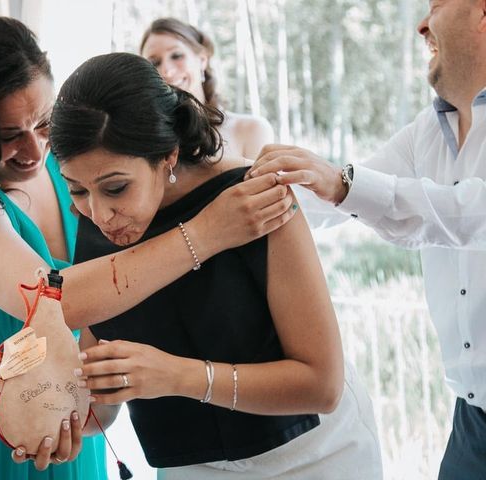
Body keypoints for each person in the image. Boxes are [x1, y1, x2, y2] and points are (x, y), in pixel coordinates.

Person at [0, 16, 297, 480]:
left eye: (44, 123)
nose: (35, 150)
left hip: (63, 410)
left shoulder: (77, 178)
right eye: (8, 134)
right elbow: (60, 302)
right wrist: (208, 232)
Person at [50, 51, 382, 480]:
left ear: (166, 156)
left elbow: (321, 386)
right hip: (193, 467)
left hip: (314, 457)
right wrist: (68, 418)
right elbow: (105, 398)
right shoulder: (98, 222)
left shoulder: (256, 197)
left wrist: (177, 376)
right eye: (76, 189)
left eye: (116, 187)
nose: (99, 213)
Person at [246, 1, 486, 478]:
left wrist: (342, 183)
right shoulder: (427, 131)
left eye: (436, 5)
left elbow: (468, 213)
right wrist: (241, 195)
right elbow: (334, 200)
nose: (421, 24)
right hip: (472, 420)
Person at [140, 17, 274, 160]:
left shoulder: (252, 130)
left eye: (176, 56)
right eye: (154, 63)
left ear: (202, 60)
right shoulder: (143, 141)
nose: (167, 71)